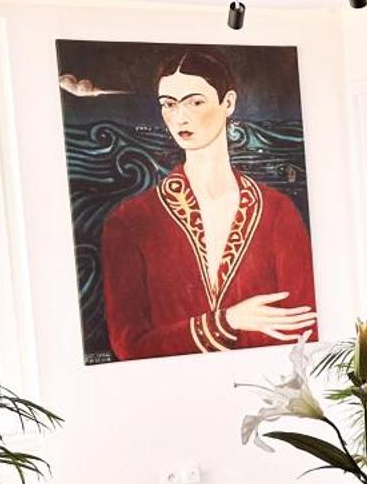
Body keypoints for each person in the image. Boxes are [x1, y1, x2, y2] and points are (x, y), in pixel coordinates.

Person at [99, 49, 317, 359]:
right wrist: (226, 322)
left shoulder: (276, 211)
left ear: (228, 102)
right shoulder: (131, 221)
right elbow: (129, 346)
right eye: (169, 104)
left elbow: (307, 328)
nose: (180, 117)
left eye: (195, 102)